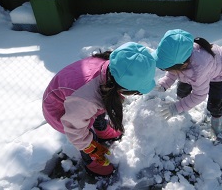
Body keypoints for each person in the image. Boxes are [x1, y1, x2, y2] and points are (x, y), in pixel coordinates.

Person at [42, 42, 156, 176]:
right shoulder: (86, 100)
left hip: (77, 102)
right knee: (85, 136)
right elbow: (75, 129)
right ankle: (91, 161)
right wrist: (89, 146)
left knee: (101, 106)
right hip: (60, 111)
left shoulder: (112, 68)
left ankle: (101, 129)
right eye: (136, 91)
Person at [152, 29, 222, 140]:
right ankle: (183, 109)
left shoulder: (197, 71)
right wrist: (165, 83)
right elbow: (173, 71)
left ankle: (217, 123)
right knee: (182, 90)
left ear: (182, 66)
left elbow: (199, 95)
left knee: (214, 102)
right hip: (200, 69)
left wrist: (176, 107)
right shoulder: (182, 58)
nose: (166, 70)